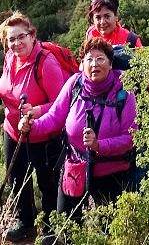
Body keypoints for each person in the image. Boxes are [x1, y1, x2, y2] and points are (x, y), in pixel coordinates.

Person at [21, 36, 138, 219]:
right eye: (89, 59)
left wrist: (99, 145)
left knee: (110, 230)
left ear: (110, 63)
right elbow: (54, 118)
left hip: (112, 173)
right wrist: (32, 126)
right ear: (82, 63)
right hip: (75, 167)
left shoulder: (124, 91)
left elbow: (131, 137)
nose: (94, 64)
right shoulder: (75, 84)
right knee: (66, 226)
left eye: (100, 59)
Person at [0, 12, 68, 242]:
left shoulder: (46, 63)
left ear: (32, 36)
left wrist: (36, 111)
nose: (16, 43)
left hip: (44, 135)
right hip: (13, 131)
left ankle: (50, 228)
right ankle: (26, 223)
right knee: (17, 179)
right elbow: (8, 85)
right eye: (11, 39)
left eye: (21, 37)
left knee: (47, 182)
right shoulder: (10, 57)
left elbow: (61, 103)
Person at [84, 0, 143, 70]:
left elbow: (146, 69)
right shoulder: (91, 34)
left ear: (116, 17)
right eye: (98, 17)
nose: (102, 22)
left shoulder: (131, 39)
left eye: (107, 16)